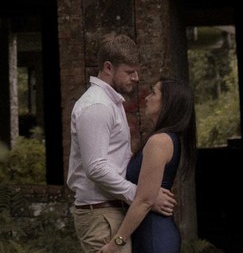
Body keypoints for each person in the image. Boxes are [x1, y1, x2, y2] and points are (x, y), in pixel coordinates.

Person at [69, 33, 177, 253]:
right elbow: (96, 168)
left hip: (110, 211)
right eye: (129, 72)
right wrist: (142, 195)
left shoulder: (110, 102)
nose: (136, 78)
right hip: (100, 215)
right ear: (108, 68)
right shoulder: (96, 106)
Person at [99, 77, 195, 253]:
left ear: (167, 102)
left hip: (154, 236)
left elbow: (144, 201)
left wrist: (116, 243)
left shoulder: (159, 141)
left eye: (153, 92)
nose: (146, 97)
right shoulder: (166, 138)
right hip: (150, 233)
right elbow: (146, 194)